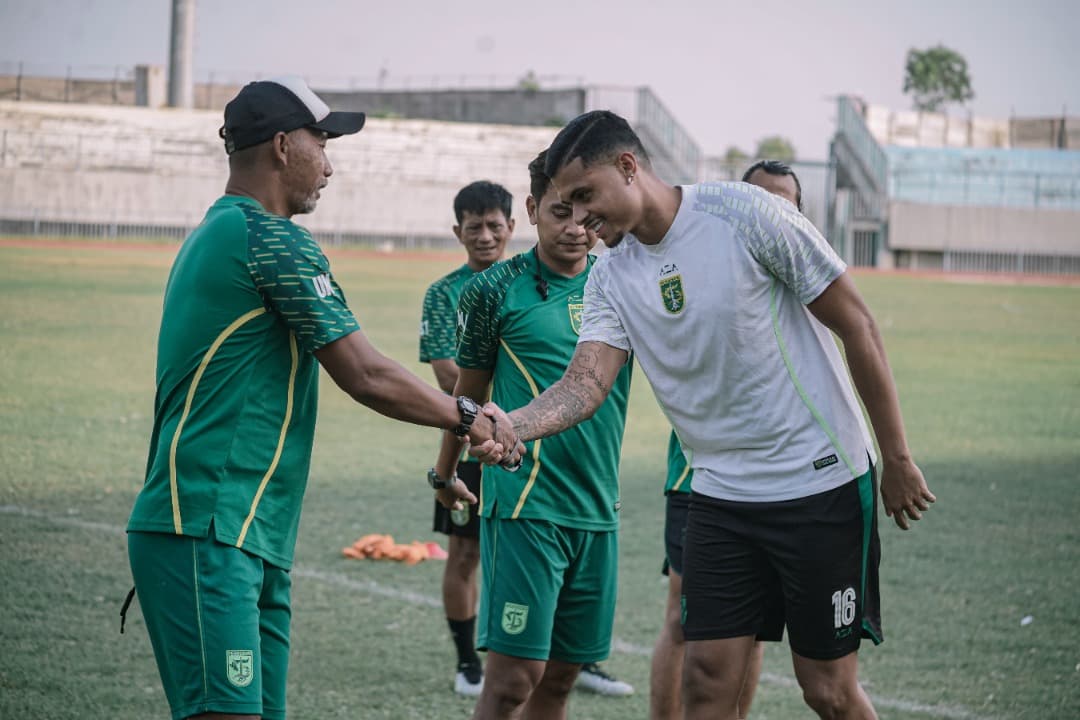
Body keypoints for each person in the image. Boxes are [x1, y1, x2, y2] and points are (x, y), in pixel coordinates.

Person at [489, 111, 936, 720]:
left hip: (819, 482)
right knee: (705, 681)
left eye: (586, 197)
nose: (580, 219)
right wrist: (516, 424)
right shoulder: (611, 277)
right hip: (721, 494)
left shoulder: (746, 214)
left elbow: (856, 323)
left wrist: (897, 458)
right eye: (565, 205)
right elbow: (585, 383)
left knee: (826, 690)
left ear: (629, 167)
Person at [124, 77, 521, 720]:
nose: (330, 164)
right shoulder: (269, 238)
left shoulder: (217, 230)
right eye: (322, 141)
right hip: (209, 524)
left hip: (246, 530)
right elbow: (363, 372)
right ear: (283, 145)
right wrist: (469, 416)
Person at [430, 149, 633, 719]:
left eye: (584, 215)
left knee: (562, 679)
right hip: (526, 505)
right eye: (558, 212)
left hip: (597, 507)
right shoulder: (496, 288)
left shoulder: (619, 283)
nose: (574, 229)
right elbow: (465, 398)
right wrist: (444, 476)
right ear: (532, 209)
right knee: (514, 679)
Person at [649, 159, 803, 720]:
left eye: (784, 202)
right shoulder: (705, 271)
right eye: (760, 198)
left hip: (779, 482)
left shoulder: (807, 282)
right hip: (702, 478)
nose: (772, 211)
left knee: (756, 628)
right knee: (685, 620)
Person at [419, 180, 515, 696]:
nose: (484, 236)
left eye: (493, 226)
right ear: (457, 230)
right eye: (473, 226)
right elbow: (444, 375)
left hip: (528, 438)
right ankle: (467, 663)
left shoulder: (530, 282)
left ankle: (575, 658)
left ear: (512, 228)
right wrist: (492, 406)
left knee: (546, 548)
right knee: (465, 555)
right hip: (470, 440)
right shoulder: (443, 293)